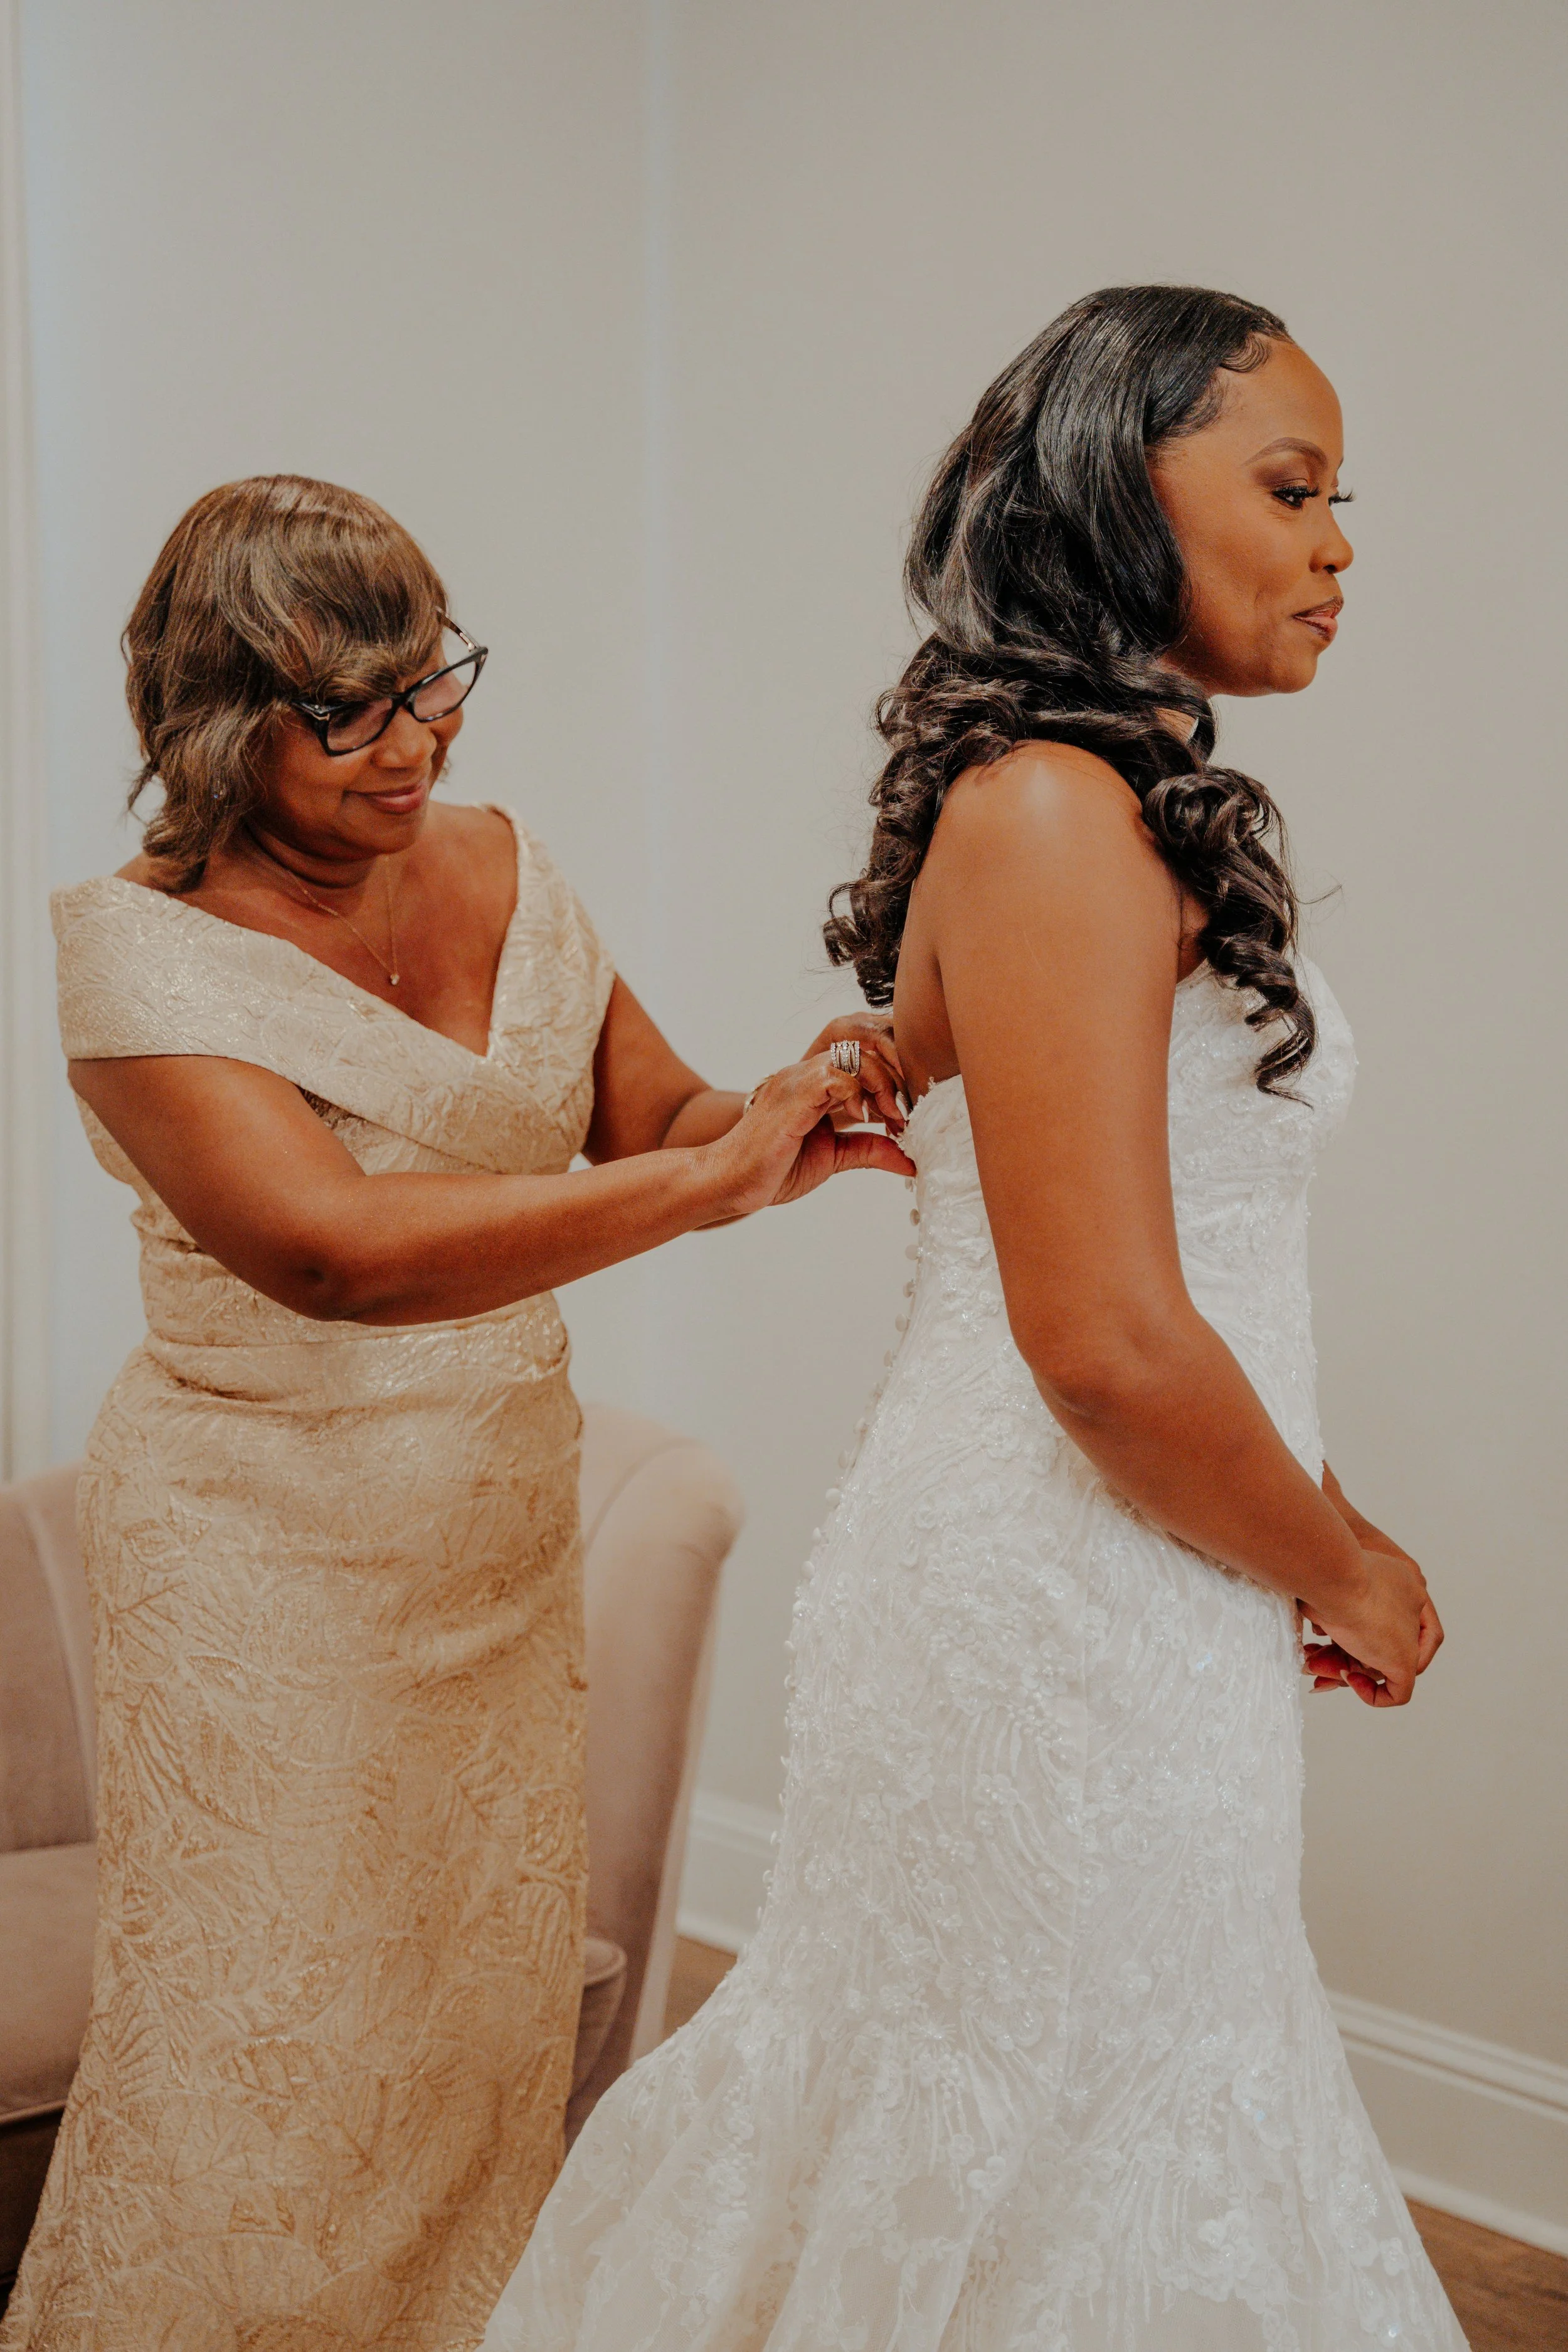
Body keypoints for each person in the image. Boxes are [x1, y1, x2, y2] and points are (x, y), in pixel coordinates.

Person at [483, 289, 1470, 2349]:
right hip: (1045, 1594)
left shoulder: (1101, 806)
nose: (1336, 543)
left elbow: (1199, 1267)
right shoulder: (1045, 813)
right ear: (1116, 500)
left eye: (1336, 496)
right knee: (1022, 2114)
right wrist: (1350, 1566)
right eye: (1286, 490)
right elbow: (1100, 1343)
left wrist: (1285, 1512)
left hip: (1148, 1567)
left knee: (1140, 2108)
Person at [0, 475, 911, 2352]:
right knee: (265, 2047)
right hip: (258, 1574)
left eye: (434, 682)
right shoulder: (134, 957)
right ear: (213, 721)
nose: (418, 740)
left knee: (462, 2031)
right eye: (353, 709)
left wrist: (778, 1119)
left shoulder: (503, 860)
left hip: (484, 1552)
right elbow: (331, 1252)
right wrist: (703, 1189)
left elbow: (645, 1110)